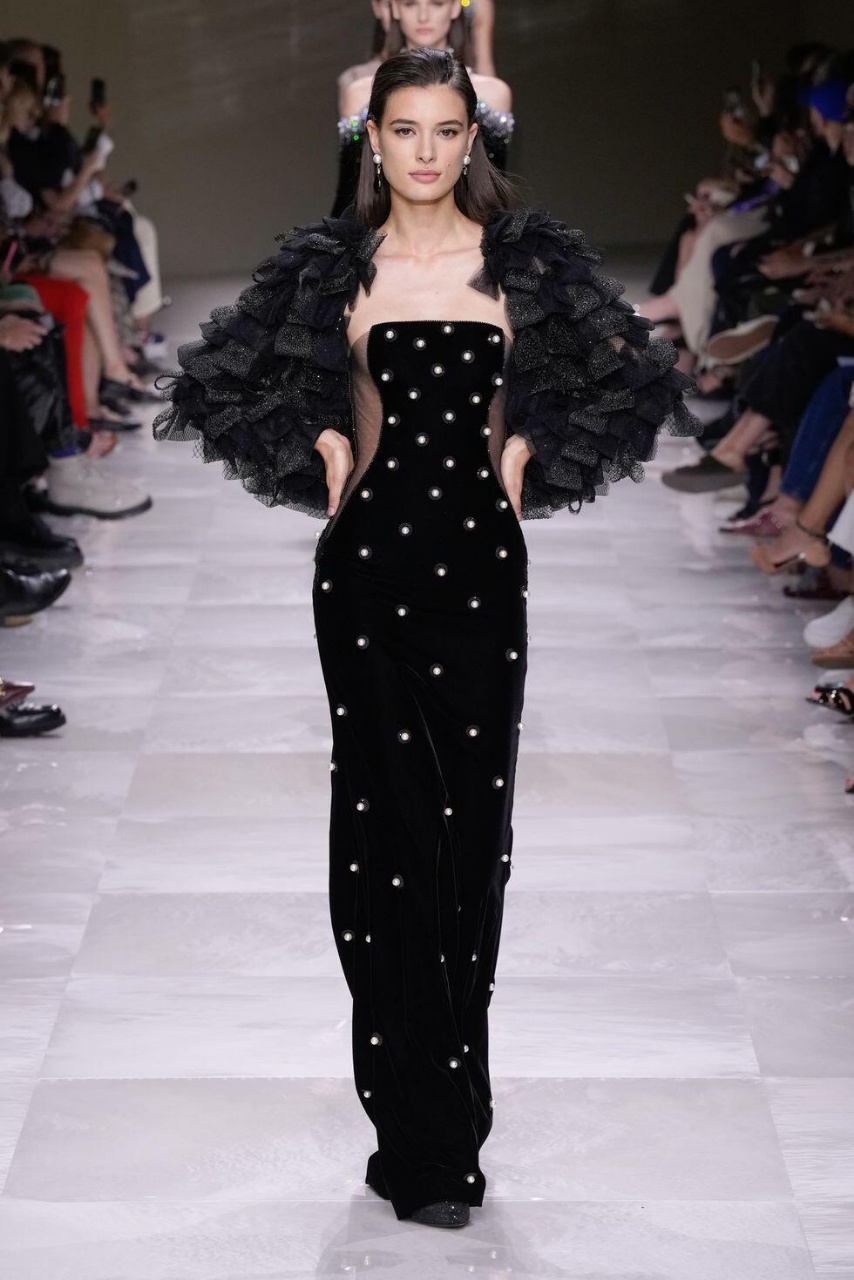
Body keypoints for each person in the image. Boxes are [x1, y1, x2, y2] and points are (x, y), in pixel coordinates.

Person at [154, 47, 697, 1230]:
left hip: (480, 578)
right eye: (403, 130)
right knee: (383, 840)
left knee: (468, 846)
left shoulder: (520, 264)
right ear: (372, 140)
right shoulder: (336, 267)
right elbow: (227, 387)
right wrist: (322, 444)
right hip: (364, 579)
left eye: (446, 131)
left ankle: (451, 1100)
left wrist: (528, 447)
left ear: (472, 140)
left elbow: (627, 383)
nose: (425, 153)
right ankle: (421, 1134)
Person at [332, 0, 512, 216]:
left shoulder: (493, 94)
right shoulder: (361, 94)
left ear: (455, 7)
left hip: (474, 225)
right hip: (377, 226)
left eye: (437, 4)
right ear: (394, 8)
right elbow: (350, 190)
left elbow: (493, 187)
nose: (423, 16)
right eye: (410, 4)